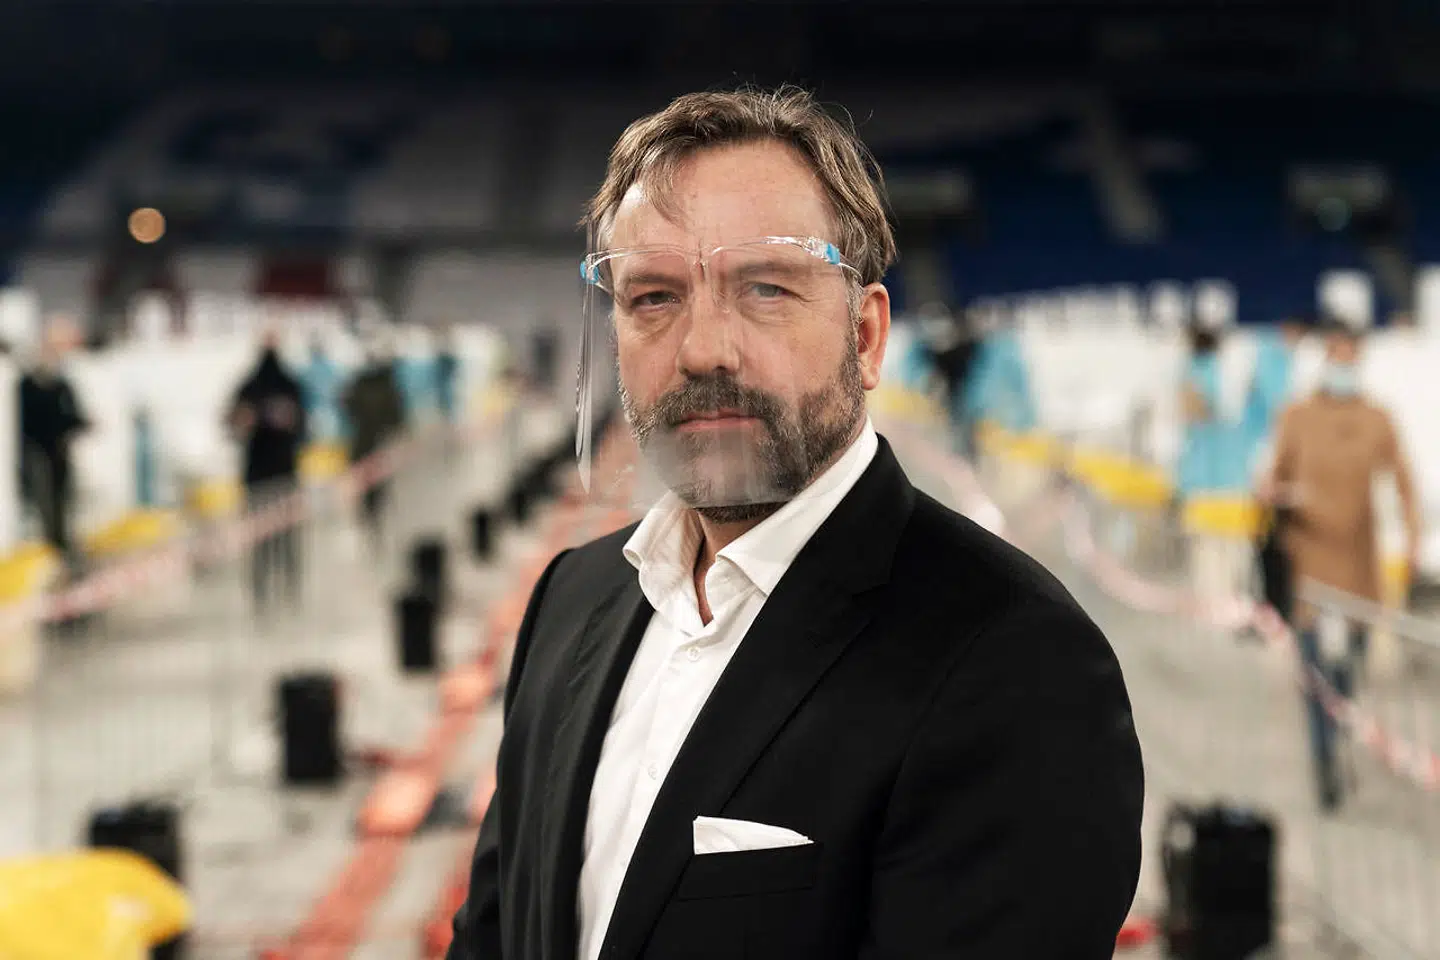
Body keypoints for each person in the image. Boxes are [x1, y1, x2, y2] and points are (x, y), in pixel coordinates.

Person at [447, 87, 1143, 960]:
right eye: (654, 297)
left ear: (866, 335)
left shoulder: (1014, 663)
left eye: (766, 288)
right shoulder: (571, 601)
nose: (704, 349)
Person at [1261, 320, 1422, 811]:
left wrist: (1413, 540)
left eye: (1352, 357)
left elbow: (1403, 482)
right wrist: (1274, 495)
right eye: (1337, 356)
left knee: (1347, 672)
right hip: (1309, 565)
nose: (1344, 365)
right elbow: (1272, 476)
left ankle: (1339, 736)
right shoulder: (1297, 416)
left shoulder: (1376, 419)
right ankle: (1324, 761)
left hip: (1356, 568)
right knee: (1314, 673)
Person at [228, 333, 307, 615]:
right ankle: (277, 594)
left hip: (264, 477)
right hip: (278, 475)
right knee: (276, 541)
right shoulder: (285, 386)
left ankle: (275, 595)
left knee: (271, 541)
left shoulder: (251, 387)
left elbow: (233, 425)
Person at [18, 317, 90, 571]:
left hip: (59, 454)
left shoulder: (61, 384)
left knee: (62, 504)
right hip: (39, 454)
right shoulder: (28, 384)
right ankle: (53, 552)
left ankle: (62, 551)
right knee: (45, 506)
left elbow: (74, 416)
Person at [343, 334, 406, 549]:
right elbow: (397, 418)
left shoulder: (363, 385)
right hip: (375, 444)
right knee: (374, 486)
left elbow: (349, 407)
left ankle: (370, 519)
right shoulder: (388, 387)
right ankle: (372, 520)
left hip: (366, 443)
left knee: (369, 486)